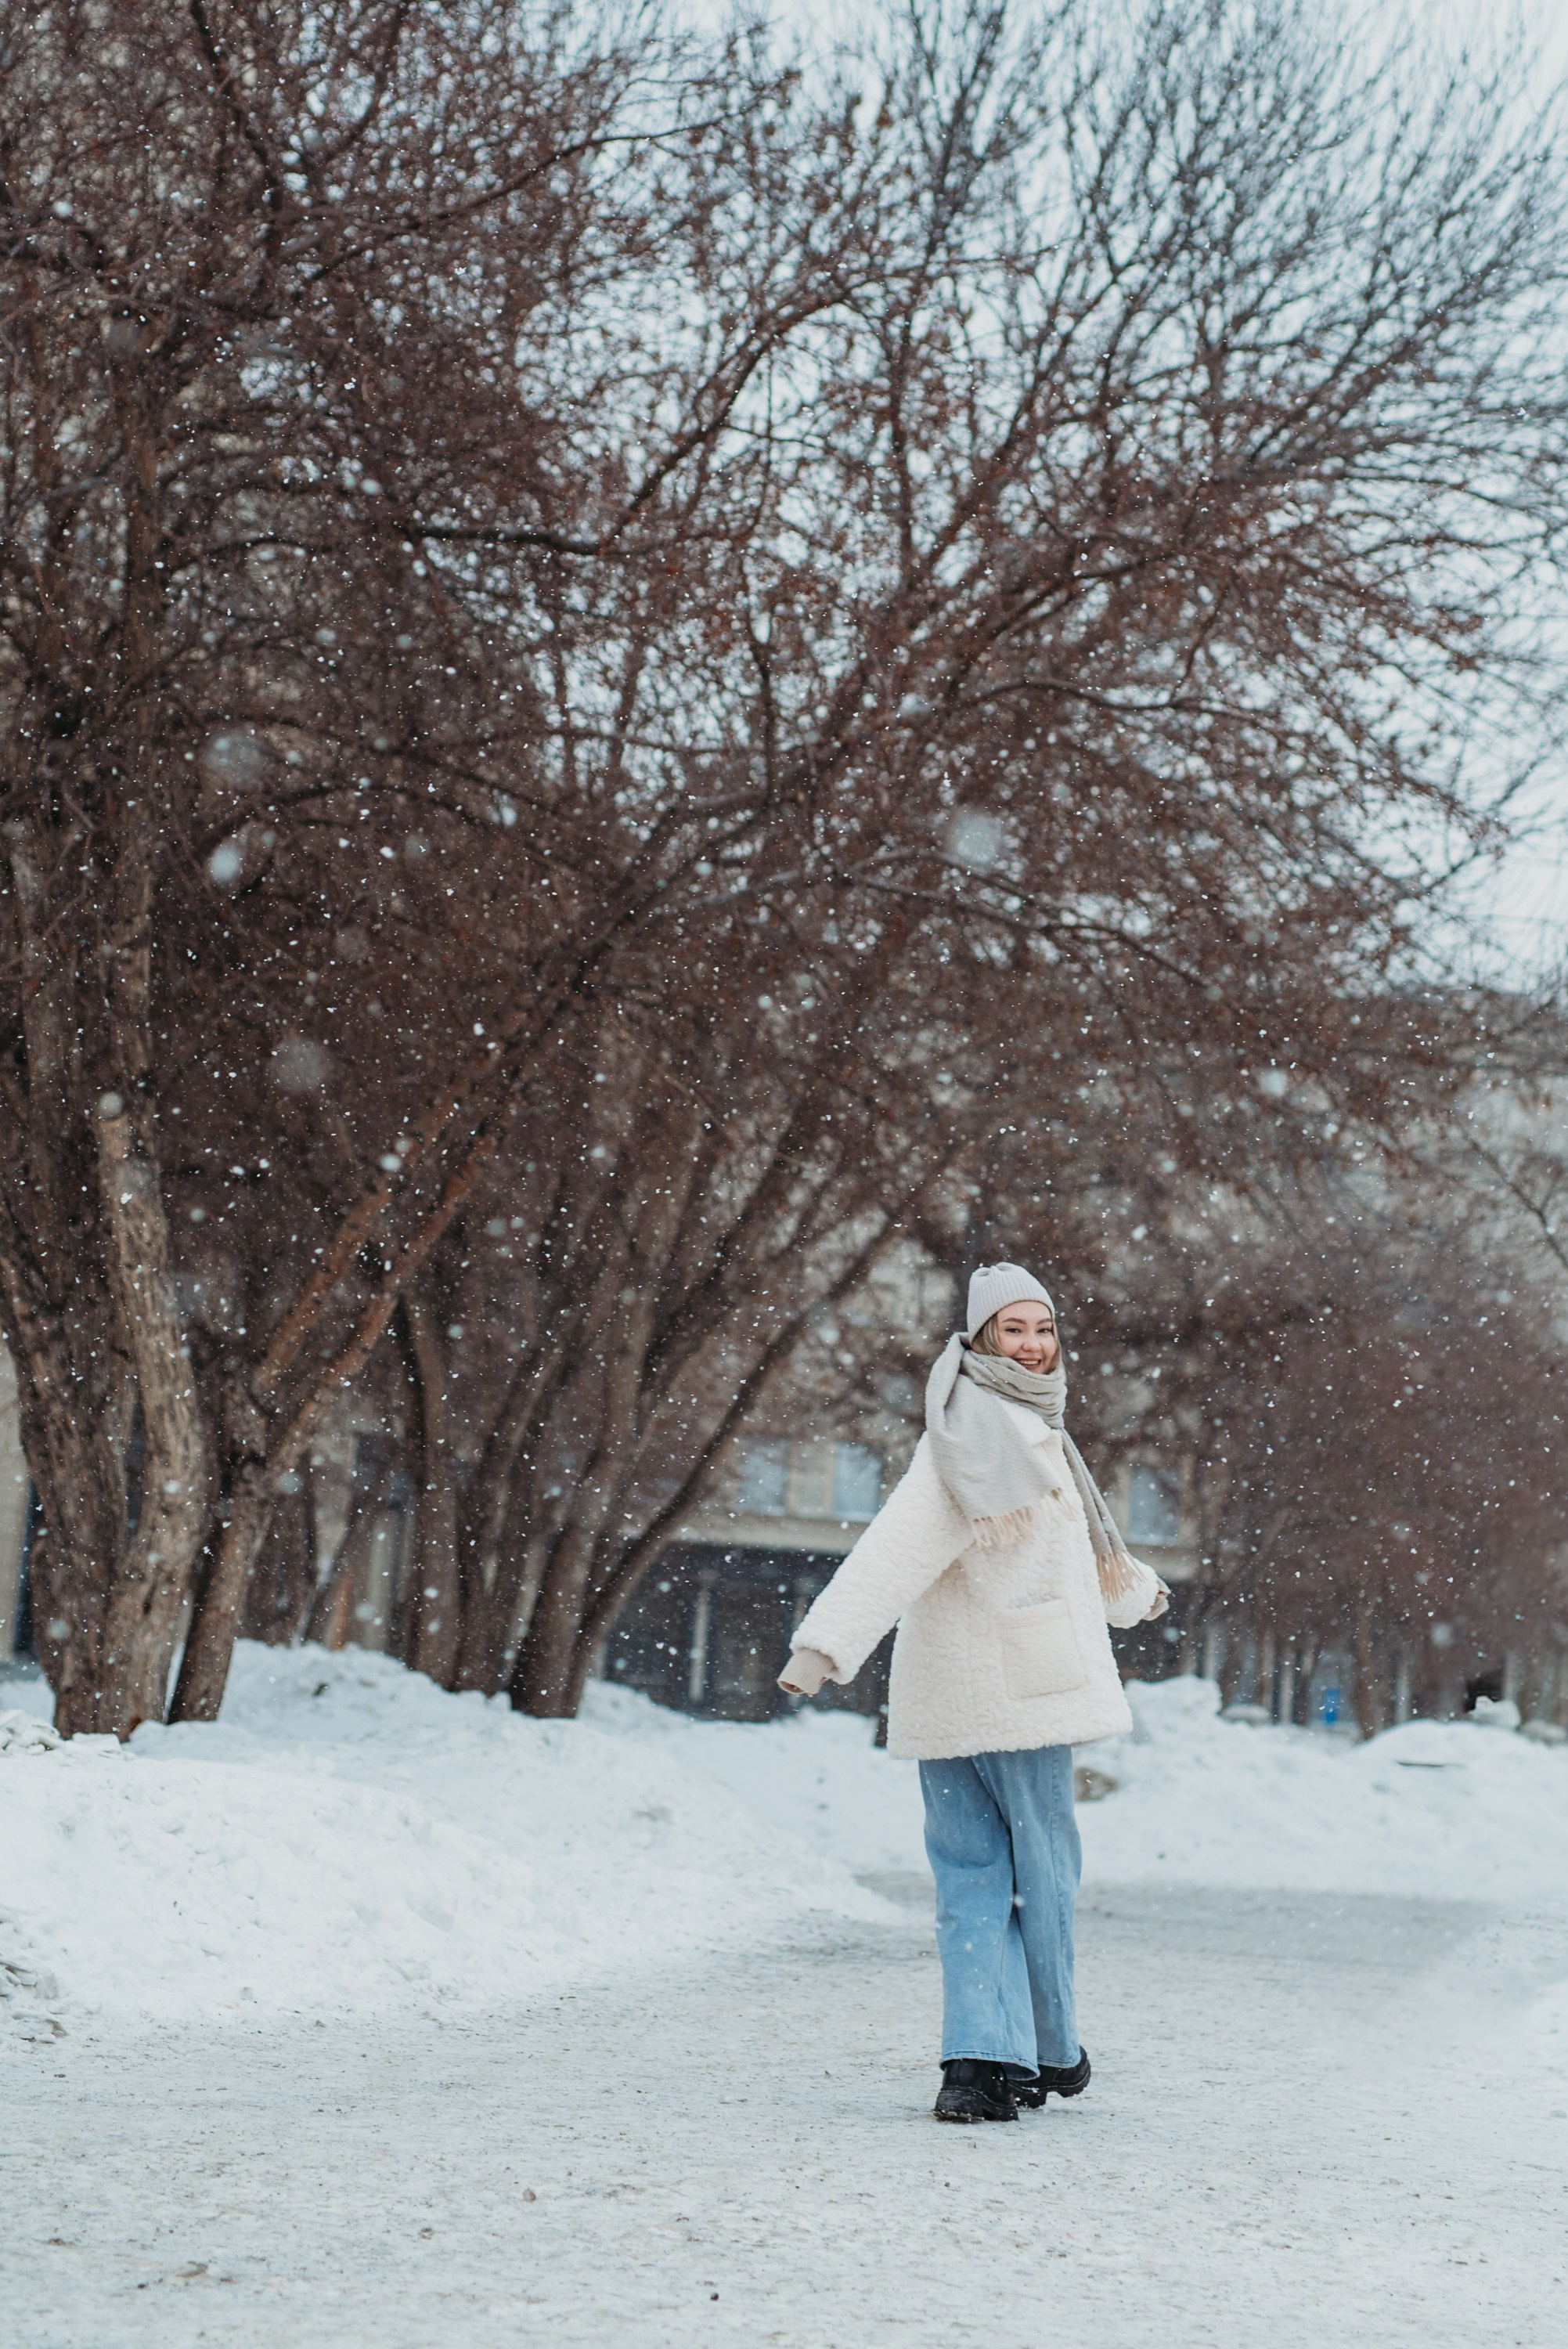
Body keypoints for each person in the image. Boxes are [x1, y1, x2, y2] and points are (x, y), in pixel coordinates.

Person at [779, 1263, 1170, 2123]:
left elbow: (1066, 1559)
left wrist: (1136, 1594)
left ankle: (974, 2064)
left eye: (1044, 1330)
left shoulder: (1006, 1427)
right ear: (981, 1339)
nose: (1032, 1346)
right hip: (1024, 1695)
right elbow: (895, 1549)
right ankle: (1045, 2048)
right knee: (1044, 1877)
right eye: (1013, 1330)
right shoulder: (983, 1436)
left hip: (950, 1699)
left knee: (970, 1881)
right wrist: (824, 1644)